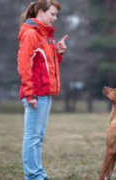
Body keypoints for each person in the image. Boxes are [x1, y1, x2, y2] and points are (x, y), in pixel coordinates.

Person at [17, 0, 67, 179]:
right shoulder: (31, 34)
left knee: (37, 138)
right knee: (32, 138)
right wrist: (30, 93)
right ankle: (33, 176)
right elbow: (24, 65)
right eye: (52, 14)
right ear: (41, 12)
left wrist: (58, 53)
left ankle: (37, 174)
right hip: (36, 94)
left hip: (45, 93)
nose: (55, 18)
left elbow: (46, 66)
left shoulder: (46, 36)